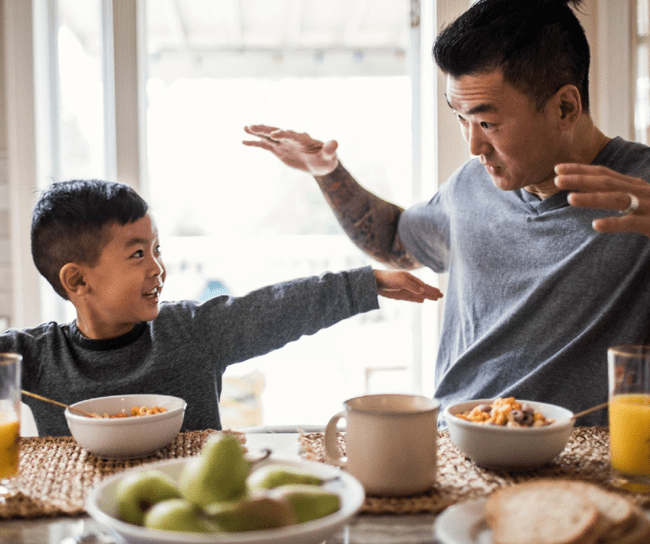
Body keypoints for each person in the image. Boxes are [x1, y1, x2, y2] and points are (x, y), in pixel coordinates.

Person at [242, 0, 650, 426]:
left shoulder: (642, 190)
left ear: (565, 108)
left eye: (487, 123)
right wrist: (328, 173)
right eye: (460, 119)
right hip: (456, 443)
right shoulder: (471, 185)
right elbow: (395, 239)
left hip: (581, 461)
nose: (473, 147)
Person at [0, 179, 442, 436]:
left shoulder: (191, 331)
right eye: (137, 255)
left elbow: (276, 308)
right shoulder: (35, 357)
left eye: (157, 249)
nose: (158, 268)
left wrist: (365, 284)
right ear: (78, 280)